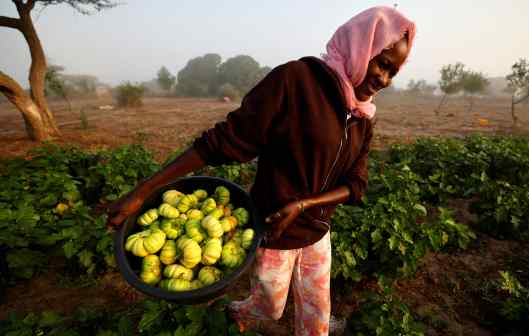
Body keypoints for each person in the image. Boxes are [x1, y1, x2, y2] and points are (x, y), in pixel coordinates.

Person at [107, 6, 415, 336]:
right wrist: (142, 191)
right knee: (270, 307)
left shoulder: (362, 117)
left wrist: (304, 205)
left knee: (317, 317)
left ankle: (318, 324)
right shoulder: (296, 80)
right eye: (382, 63)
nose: (384, 79)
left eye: (393, 72)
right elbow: (223, 141)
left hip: (318, 232)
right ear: (362, 45)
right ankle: (236, 312)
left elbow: (357, 183)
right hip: (274, 228)